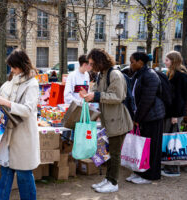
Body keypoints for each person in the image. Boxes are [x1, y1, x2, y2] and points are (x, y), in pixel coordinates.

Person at [80, 49, 133, 193]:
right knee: (108, 152)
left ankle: (113, 182)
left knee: (114, 153)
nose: (90, 66)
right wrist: (88, 95)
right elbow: (97, 91)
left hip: (118, 121)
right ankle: (108, 179)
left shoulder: (114, 74)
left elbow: (118, 96)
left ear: (99, 61)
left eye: (92, 63)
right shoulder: (101, 74)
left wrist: (95, 96)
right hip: (108, 121)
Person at [0, 49, 39, 200]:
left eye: (14, 66)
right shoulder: (10, 82)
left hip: (23, 136)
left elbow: (28, 109)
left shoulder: (32, 84)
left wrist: (7, 103)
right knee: (5, 173)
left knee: (24, 174)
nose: (11, 70)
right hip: (8, 135)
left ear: (21, 65)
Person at [127, 52, 165, 184]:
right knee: (142, 147)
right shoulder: (139, 74)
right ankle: (140, 172)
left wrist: (137, 118)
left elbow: (147, 100)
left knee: (152, 147)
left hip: (152, 117)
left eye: (132, 62)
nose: (130, 64)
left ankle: (150, 176)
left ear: (140, 62)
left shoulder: (150, 75)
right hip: (145, 116)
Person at [161, 51, 187, 177]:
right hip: (171, 113)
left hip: (174, 114)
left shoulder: (180, 76)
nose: (164, 62)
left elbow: (180, 97)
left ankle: (173, 168)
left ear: (173, 61)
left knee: (174, 140)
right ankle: (168, 166)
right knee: (169, 139)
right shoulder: (172, 74)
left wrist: (176, 116)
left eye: (167, 60)